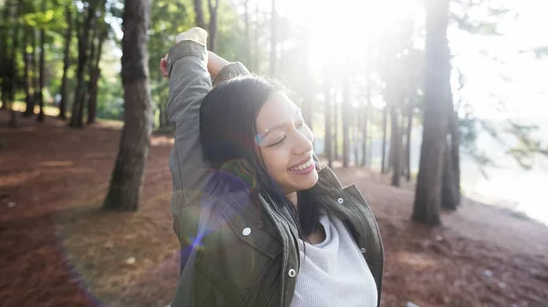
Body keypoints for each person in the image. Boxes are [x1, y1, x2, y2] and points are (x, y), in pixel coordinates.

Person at [160, 27, 384, 307]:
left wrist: (210, 58)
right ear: (242, 166)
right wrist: (187, 52)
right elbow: (193, 117)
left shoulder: (335, 209)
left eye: (300, 123)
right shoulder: (229, 228)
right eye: (278, 139)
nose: (304, 143)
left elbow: (252, 102)